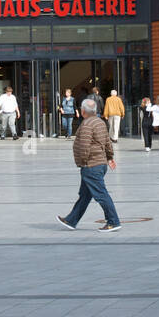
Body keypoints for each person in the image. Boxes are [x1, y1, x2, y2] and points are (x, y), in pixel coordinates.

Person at [55, 99, 120, 232]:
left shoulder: (86, 125)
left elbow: (84, 146)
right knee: (85, 195)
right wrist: (109, 157)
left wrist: (83, 162)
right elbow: (107, 142)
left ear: (83, 111)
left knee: (101, 194)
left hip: (91, 165)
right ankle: (71, 220)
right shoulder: (100, 122)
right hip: (100, 163)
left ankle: (113, 221)